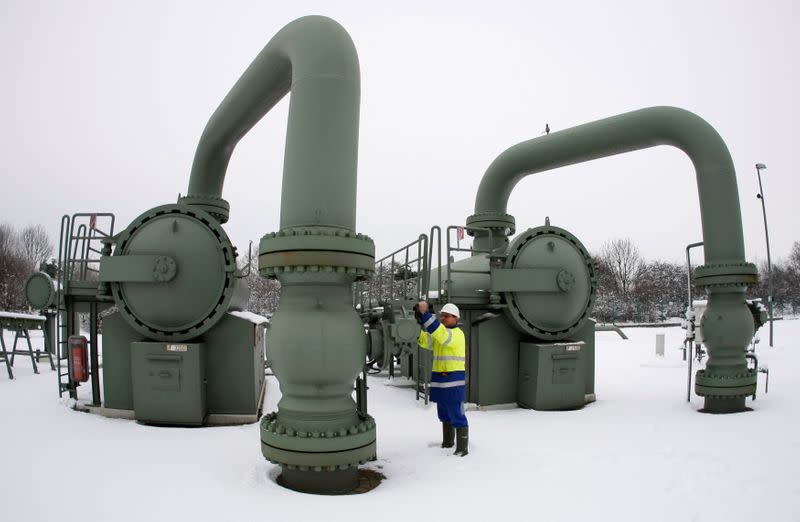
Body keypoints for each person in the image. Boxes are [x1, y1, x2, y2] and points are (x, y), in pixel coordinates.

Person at [416, 300, 468, 456]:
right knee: (444, 413)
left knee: (456, 413)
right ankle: (448, 442)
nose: (443, 318)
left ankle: (462, 448)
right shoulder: (442, 333)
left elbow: (439, 333)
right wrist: (417, 325)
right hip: (440, 380)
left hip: (453, 382)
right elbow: (426, 340)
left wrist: (425, 315)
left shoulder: (456, 334)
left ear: (456, 318)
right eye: (442, 316)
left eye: (447, 316)